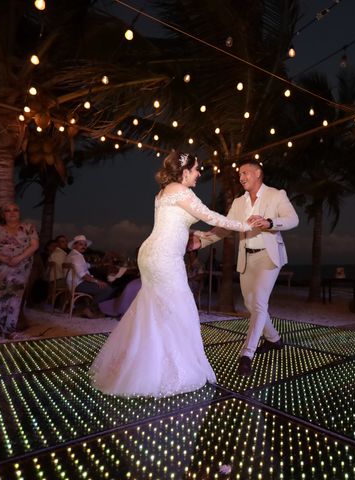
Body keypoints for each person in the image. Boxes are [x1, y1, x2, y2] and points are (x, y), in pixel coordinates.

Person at [90, 152, 252, 397]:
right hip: (165, 258)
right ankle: (173, 372)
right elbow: (210, 216)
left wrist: (194, 235)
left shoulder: (163, 193)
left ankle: (140, 367)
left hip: (151, 254)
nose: (199, 174)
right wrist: (247, 226)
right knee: (181, 308)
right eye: (197, 169)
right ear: (184, 171)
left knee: (154, 311)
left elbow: (175, 224)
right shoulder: (182, 191)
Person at [195, 160, 299, 376]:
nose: (241, 177)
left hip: (268, 257)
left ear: (258, 172)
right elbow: (225, 228)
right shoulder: (239, 202)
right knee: (251, 304)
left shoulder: (276, 194)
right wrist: (202, 241)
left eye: (245, 172)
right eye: (239, 174)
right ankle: (275, 340)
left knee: (259, 302)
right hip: (247, 258)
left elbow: (293, 219)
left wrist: (270, 222)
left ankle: (246, 354)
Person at [0, 203, 39, 337]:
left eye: (15, 210)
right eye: (8, 211)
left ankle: (8, 329)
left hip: (21, 268)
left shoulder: (28, 227)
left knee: (14, 298)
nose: (12, 213)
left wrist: (18, 258)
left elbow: (34, 245)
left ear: (19, 212)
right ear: (3, 215)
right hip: (0, 266)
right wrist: (4, 259)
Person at [65, 234, 114, 317]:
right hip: (78, 285)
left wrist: (101, 264)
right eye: (81, 244)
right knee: (107, 289)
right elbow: (83, 275)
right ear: (74, 245)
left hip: (72, 283)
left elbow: (87, 265)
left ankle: (96, 308)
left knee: (101, 282)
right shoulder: (77, 257)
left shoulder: (72, 255)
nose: (84, 246)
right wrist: (97, 281)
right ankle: (89, 309)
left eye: (85, 245)